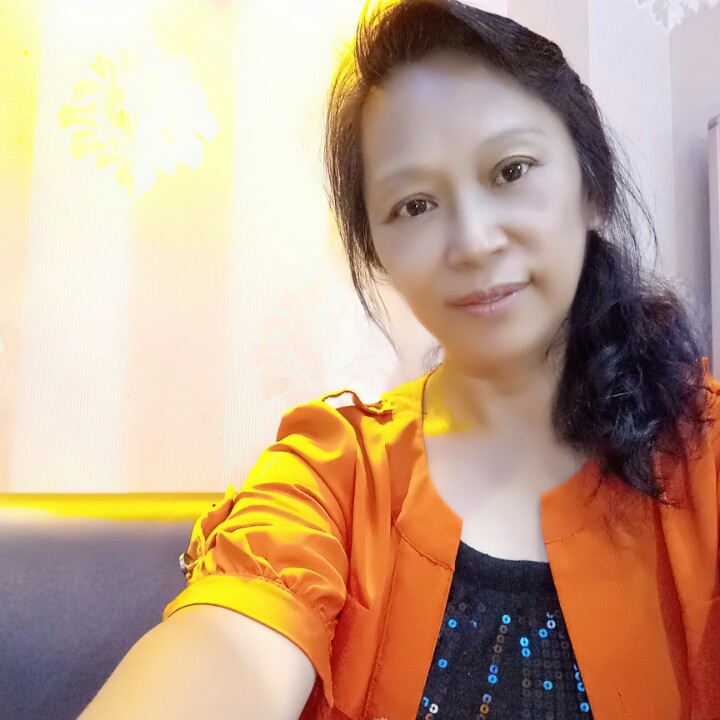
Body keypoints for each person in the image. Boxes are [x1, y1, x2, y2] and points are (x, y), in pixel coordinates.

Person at [78, 0, 720, 718]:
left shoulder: (706, 456)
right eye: (414, 205)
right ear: (379, 252)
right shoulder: (334, 476)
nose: (472, 241)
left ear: (591, 186)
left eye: (511, 169)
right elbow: (231, 647)